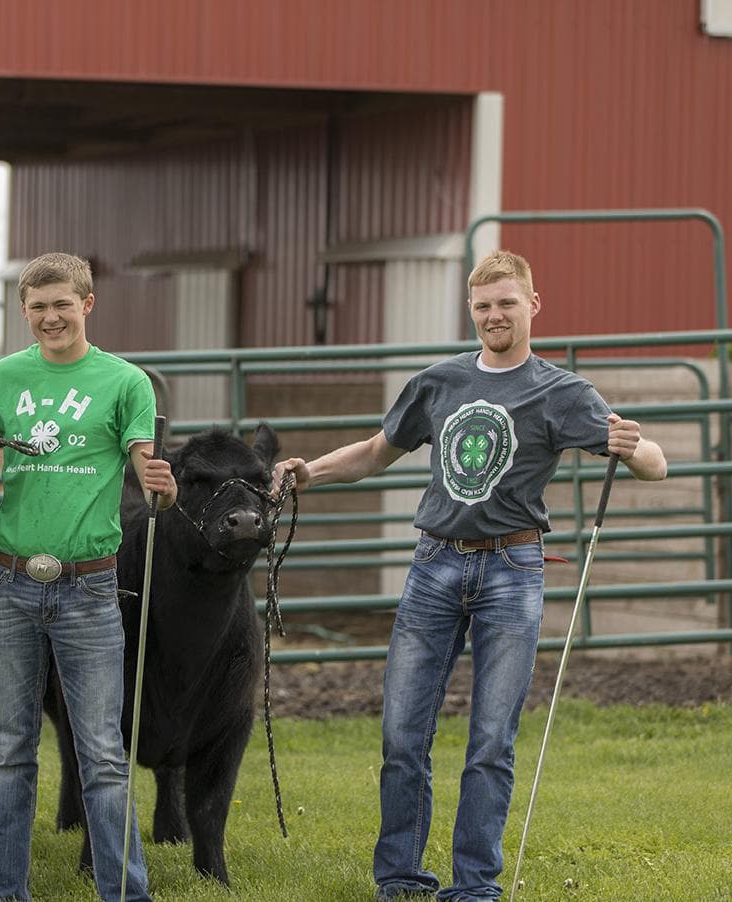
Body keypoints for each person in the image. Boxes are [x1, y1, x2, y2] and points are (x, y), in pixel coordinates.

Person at [272, 250, 667, 901]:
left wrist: (636, 448)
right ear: (471, 310)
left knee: (489, 740)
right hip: (433, 566)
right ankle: (400, 877)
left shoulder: (560, 392)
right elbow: (376, 452)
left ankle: (474, 886)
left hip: (512, 572)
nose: (493, 315)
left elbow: (651, 463)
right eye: (482, 305)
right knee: (402, 733)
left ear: (531, 306)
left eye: (505, 303)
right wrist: (310, 473)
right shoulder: (438, 382)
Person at [0, 252, 176, 902]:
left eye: (62, 304)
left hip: (87, 588)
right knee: (9, 753)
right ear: (24, 311)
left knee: (103, 756)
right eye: (37, 307)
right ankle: (1, 892)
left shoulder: (125, 383)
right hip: (8, 583)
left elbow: (149, 481)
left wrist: (160, 489)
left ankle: (123, 892)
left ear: (86, 304)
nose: (50, 317)